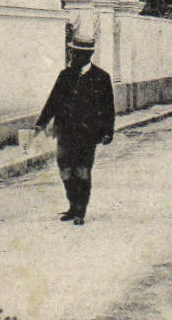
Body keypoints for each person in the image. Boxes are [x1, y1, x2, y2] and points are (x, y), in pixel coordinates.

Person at [34, 22, 115, 225]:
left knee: (82, 170)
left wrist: (108, 131)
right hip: (64, 131)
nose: (73, 56)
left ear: (88, 55)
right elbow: (53, 101)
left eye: (77, 53)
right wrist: (41, 123)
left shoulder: (101, 77)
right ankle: (72, 205)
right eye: (73, 52)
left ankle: (80, 210)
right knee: (65, 170)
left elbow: (108, 107)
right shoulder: (65, 75)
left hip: (88, 134)